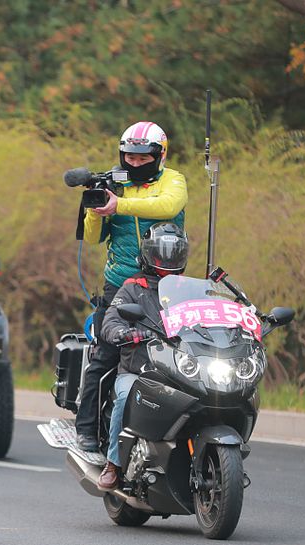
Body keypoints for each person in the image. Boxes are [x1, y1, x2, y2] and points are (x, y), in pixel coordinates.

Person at [74, 121, 188, 452]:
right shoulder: (114, 185)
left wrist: (119, 205)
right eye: (129, 157)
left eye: (142, 158)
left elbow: (167, 207)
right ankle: (86, 429)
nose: (135, 164)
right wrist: (96, 208)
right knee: (105, 355)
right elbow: (94, 238)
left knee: (179, 354)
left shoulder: (174, 181)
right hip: (121, 283)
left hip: (168, 285)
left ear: (159, 155)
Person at [97, 222, 189, 490]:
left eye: (174, 252)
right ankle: (113, 463)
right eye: (162, 253)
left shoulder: (190, 289)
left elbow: (211, 317)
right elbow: (110, 322)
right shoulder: (131, 288)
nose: (168, 258)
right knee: (125, 396)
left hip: (179, 372)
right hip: (139, 371)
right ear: (149, 254)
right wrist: (125, 333)